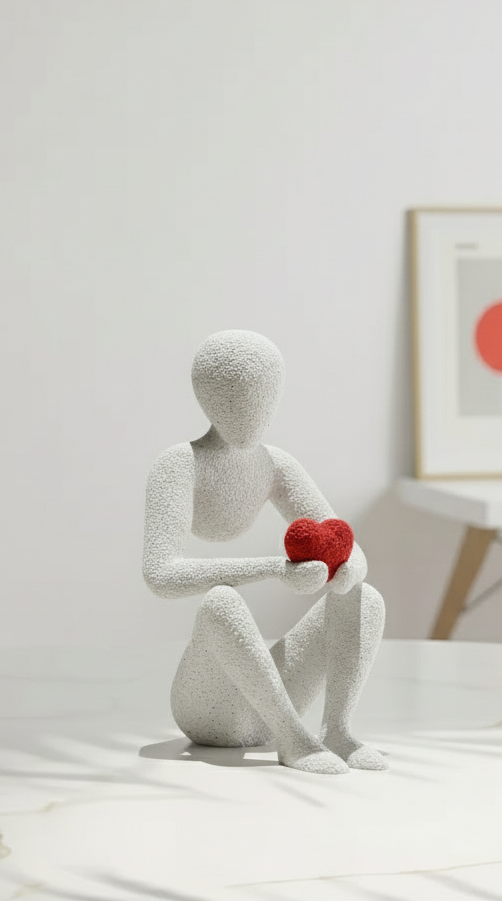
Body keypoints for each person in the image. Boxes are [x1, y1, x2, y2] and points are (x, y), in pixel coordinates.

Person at [142, 330, 386, 774]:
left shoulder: (276, 465)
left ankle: (337, 731)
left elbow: (353, 552)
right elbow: (161, 573)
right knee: (221, 603)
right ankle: (294, 741)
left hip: (265, 704)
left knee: (364, 598)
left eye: (261, 397)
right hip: (204, 710)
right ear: (206, 399)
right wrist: (276, 569)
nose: (249, 412)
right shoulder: (178, 465)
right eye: (231, 396)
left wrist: (344, 570)